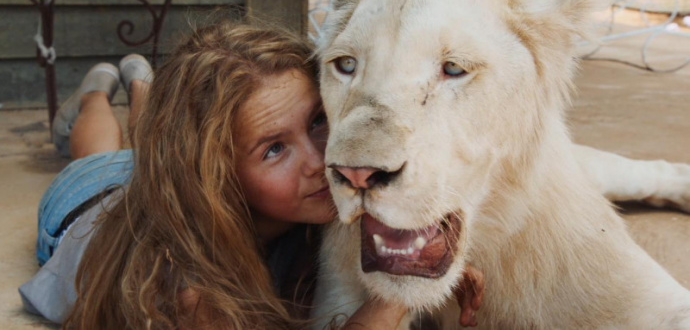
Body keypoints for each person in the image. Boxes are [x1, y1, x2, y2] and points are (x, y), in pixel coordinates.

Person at [20, 21, 461, 329]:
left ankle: (143, 88)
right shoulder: (184, 287)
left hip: (165, 169)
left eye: (317, 122)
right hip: (87, 201)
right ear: (216, 177)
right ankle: (97, 91)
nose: (320, 161)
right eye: (274, 149)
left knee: (149, 145)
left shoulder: (294, 190)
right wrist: (402, 286)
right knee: (98, 155)